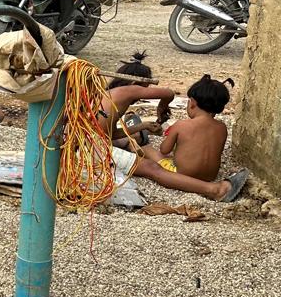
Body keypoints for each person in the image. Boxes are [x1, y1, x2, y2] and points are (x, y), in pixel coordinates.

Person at [104, 75, 249, 202]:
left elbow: (164, 149)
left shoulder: (182, 125)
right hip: (211, 175)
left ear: (192, 103)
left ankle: (134, 147)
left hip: (182, 172)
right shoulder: (222, 127)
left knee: (148, 149)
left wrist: (173, 142)